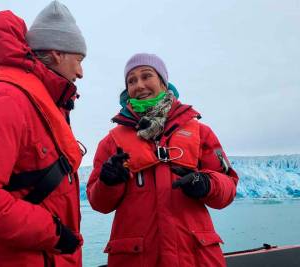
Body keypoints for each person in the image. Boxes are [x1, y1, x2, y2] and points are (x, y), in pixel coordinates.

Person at [0, 1, 86, 266]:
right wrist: (53, 233)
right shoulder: (6, 99)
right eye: (78, 59)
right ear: (57, 52)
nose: (80, 71)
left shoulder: (40, 103)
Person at [87, 53, 239, 267]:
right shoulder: (111, 142)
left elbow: (228, 188)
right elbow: (98, 203)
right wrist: (107, 182)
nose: (139, 86)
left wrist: (206, 183)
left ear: (163, 81)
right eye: (131, 81)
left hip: (194, 257)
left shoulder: (200, 133)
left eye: (146, 76)